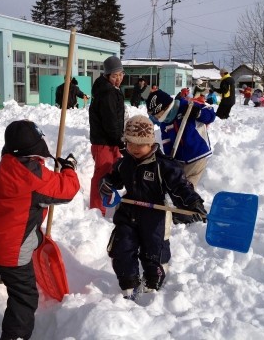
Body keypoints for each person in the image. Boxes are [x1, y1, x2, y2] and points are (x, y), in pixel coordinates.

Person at [0, 119, 80, 340]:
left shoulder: (8, 162)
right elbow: (66, 190)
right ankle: (15, 335)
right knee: (25, 297)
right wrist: (69, 170)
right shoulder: (34, 177)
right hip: (12, 248)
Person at [99, 115, 207, 300]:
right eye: (130, 143)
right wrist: (108, 184)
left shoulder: (163, 166)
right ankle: (128, 283)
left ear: (150, 142)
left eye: (139, 144)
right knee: (121, 247)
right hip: (129, 212)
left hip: (155, 216)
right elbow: (115, 179)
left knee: (154, 253)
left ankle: (152, 281)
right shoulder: (125, 162)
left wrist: (192, 203)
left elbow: (181, 187)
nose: (133, 148)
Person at [146, 89, 216, 188]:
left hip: (197, 153)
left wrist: (198, 113)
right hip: (179, 159)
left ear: (165, 107)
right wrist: (169, 159)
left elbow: (211, 115)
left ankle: (190, 201)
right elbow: (167, 142)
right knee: (176, 183)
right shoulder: (165, 122)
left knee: (187, 187)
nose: (157, 118)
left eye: (157, 114)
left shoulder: (187, 106)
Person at [88, 55, 126, 215]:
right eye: (114, 75)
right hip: (105, 142)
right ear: (107, 75)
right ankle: (97, 210)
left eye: (120, 75)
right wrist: (119, 141)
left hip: (110, 141)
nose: (118, 79)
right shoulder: (107, 93)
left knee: (110, 173)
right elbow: (110, 121)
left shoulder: (110, 90)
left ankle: (105, 203)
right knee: (102, 175)